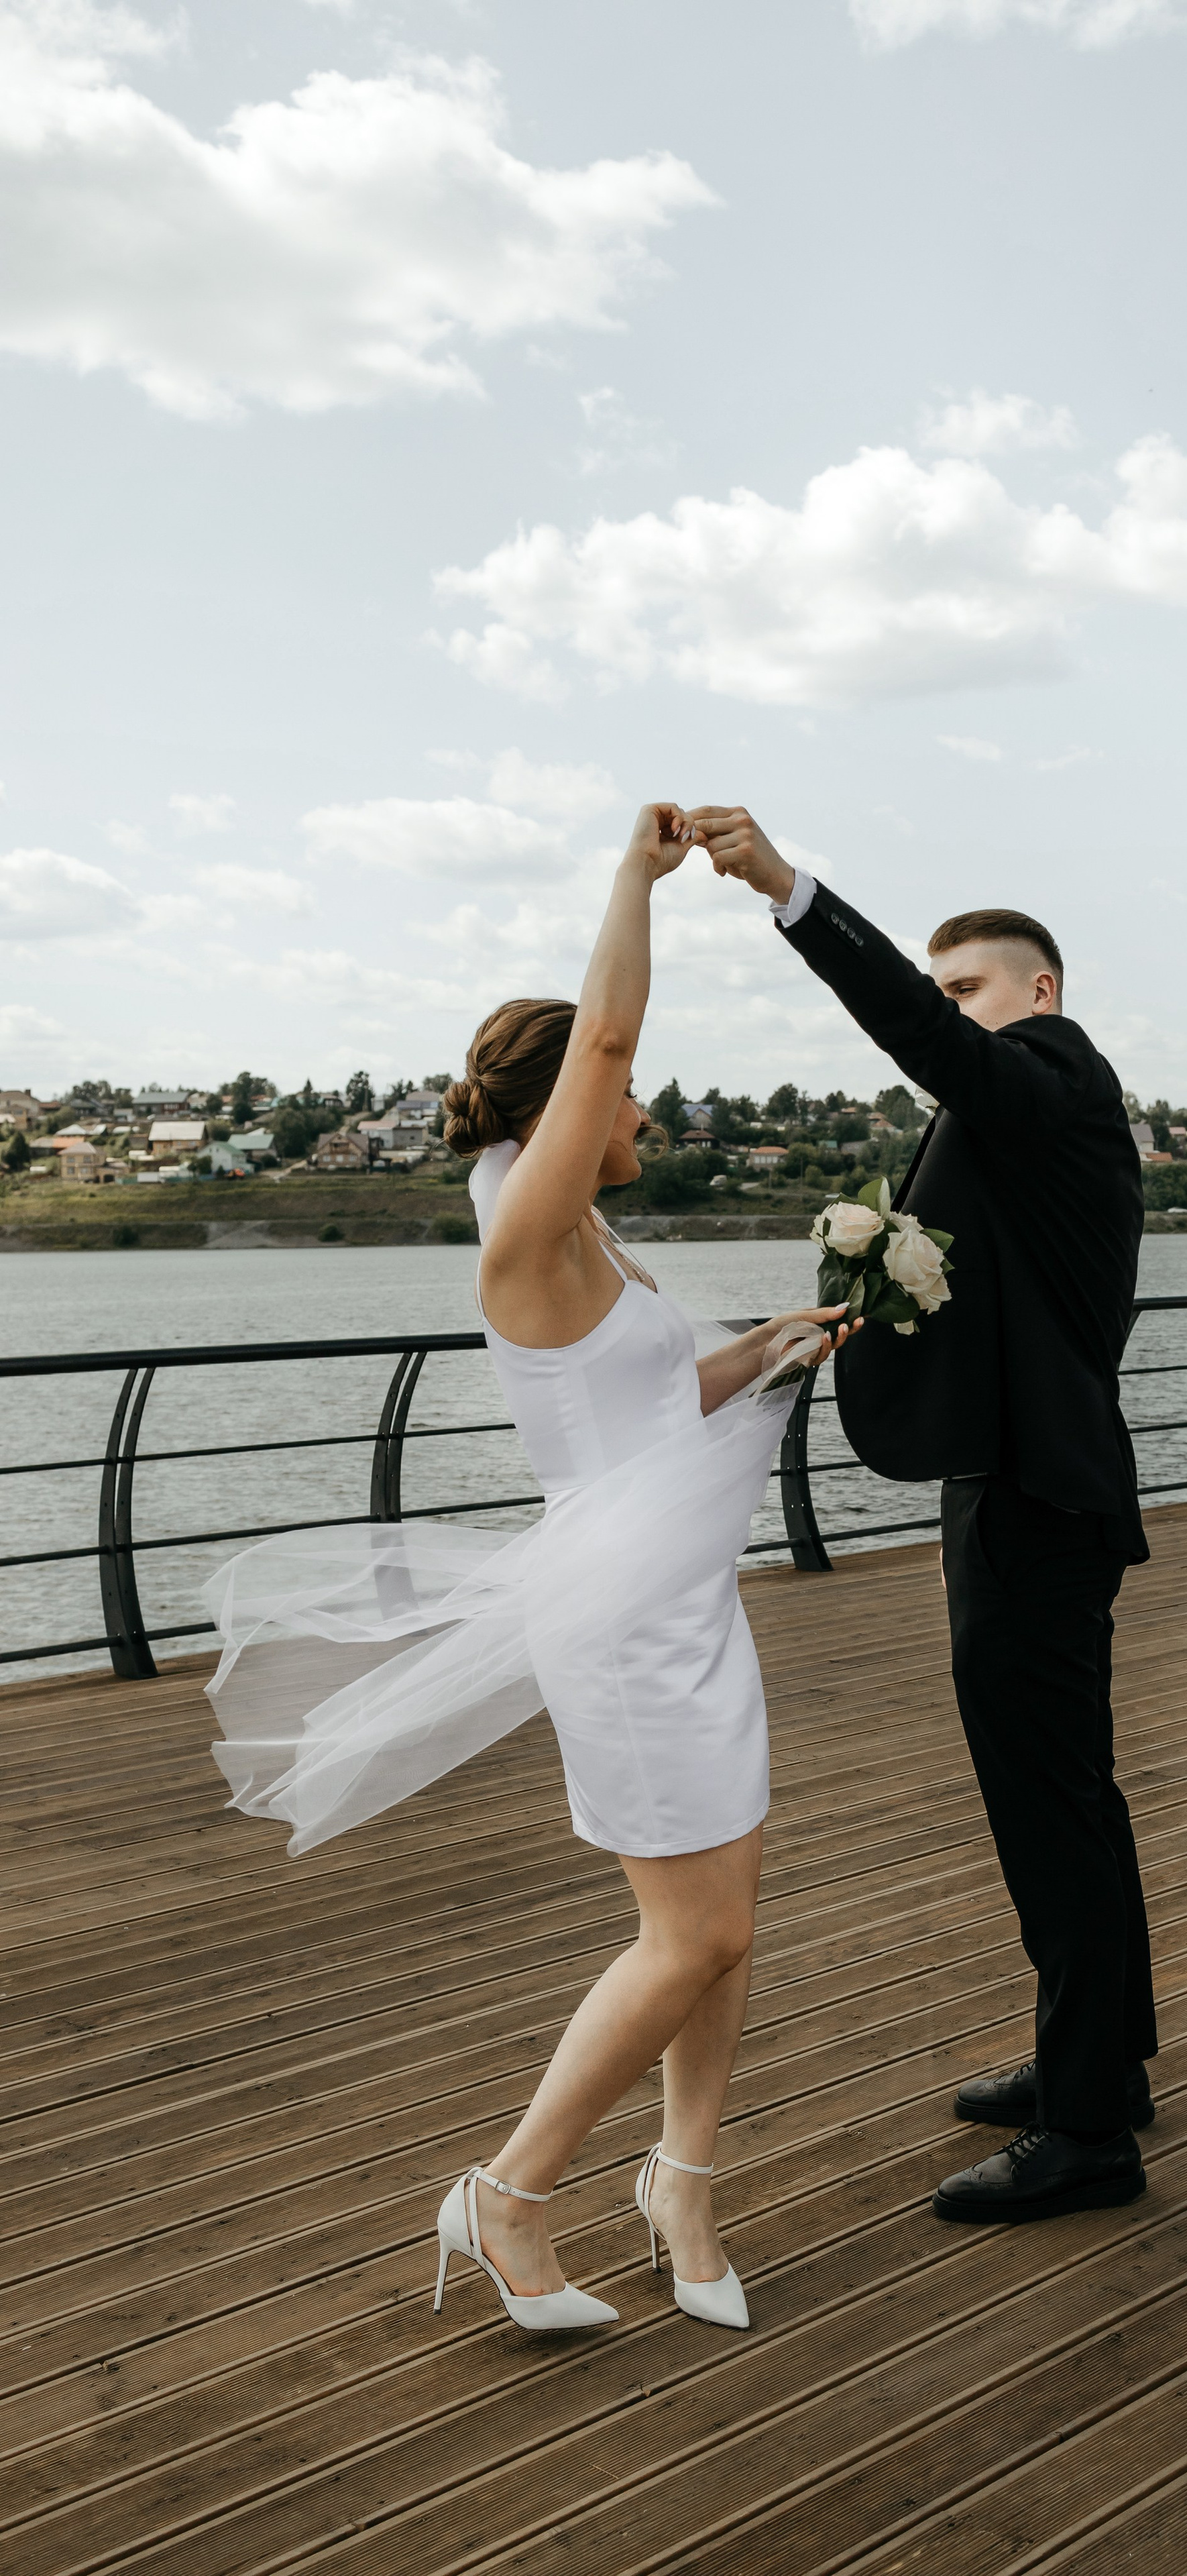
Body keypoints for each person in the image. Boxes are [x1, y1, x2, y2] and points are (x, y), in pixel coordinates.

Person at [205, 802, 856, 2334]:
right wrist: (636, 877)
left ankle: (682, 2184)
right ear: (572, 1100)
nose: (646, 1125)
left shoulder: (590, 1247)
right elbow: (613, 1044)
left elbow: (632, 1402)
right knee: (684, 1932)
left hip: (685, 1602)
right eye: (624, 1104)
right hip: (622, 1627)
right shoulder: (527, 1225)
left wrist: (758, 1352)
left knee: (731, 1918)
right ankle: (507, 2197)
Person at [693, 804, 1155, 2227]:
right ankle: (1099, 2064)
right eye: (948, 989)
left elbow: (932, 1045)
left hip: (1034, 1495)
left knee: (1050, 1806)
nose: (954, 1013)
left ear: (1040, 994)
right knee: (1064, 1796)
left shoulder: (1047, 1074)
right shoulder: (1020, 1119)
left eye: (970, 988)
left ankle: (1085, 2135)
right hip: (1016, 1481)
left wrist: (788, 891)